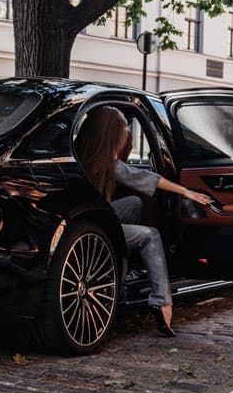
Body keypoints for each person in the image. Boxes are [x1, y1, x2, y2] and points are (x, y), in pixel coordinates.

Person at [75, 106, 214, 337]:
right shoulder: (108, 164)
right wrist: (186, 192)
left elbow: (139, 176)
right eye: (123, 131)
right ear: (111, 135)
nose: (126, 135)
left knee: (133, 203)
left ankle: (122, 265)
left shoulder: (83, 157)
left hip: (88, 221)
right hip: (94, 229)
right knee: (150, 235)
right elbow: (149, 178)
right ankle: (161, 301)